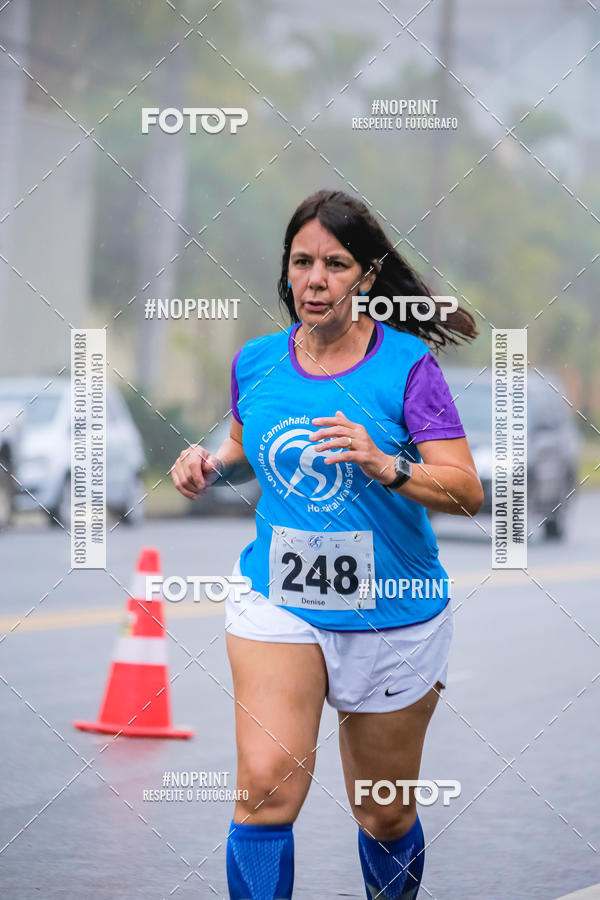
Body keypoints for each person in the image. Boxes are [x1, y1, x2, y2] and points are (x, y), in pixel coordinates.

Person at [171, 189, 483, 899]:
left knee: (382, 810)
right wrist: (209, 462)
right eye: (302, 262)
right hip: (277, 602)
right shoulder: (257, 361)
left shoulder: (407, 367)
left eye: (336, 265)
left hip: (395, 612)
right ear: (286, 270)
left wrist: (384, 463)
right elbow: (248, 445)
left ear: (366, 277)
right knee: (265, 790)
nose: (315, 280)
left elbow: (465, 488)